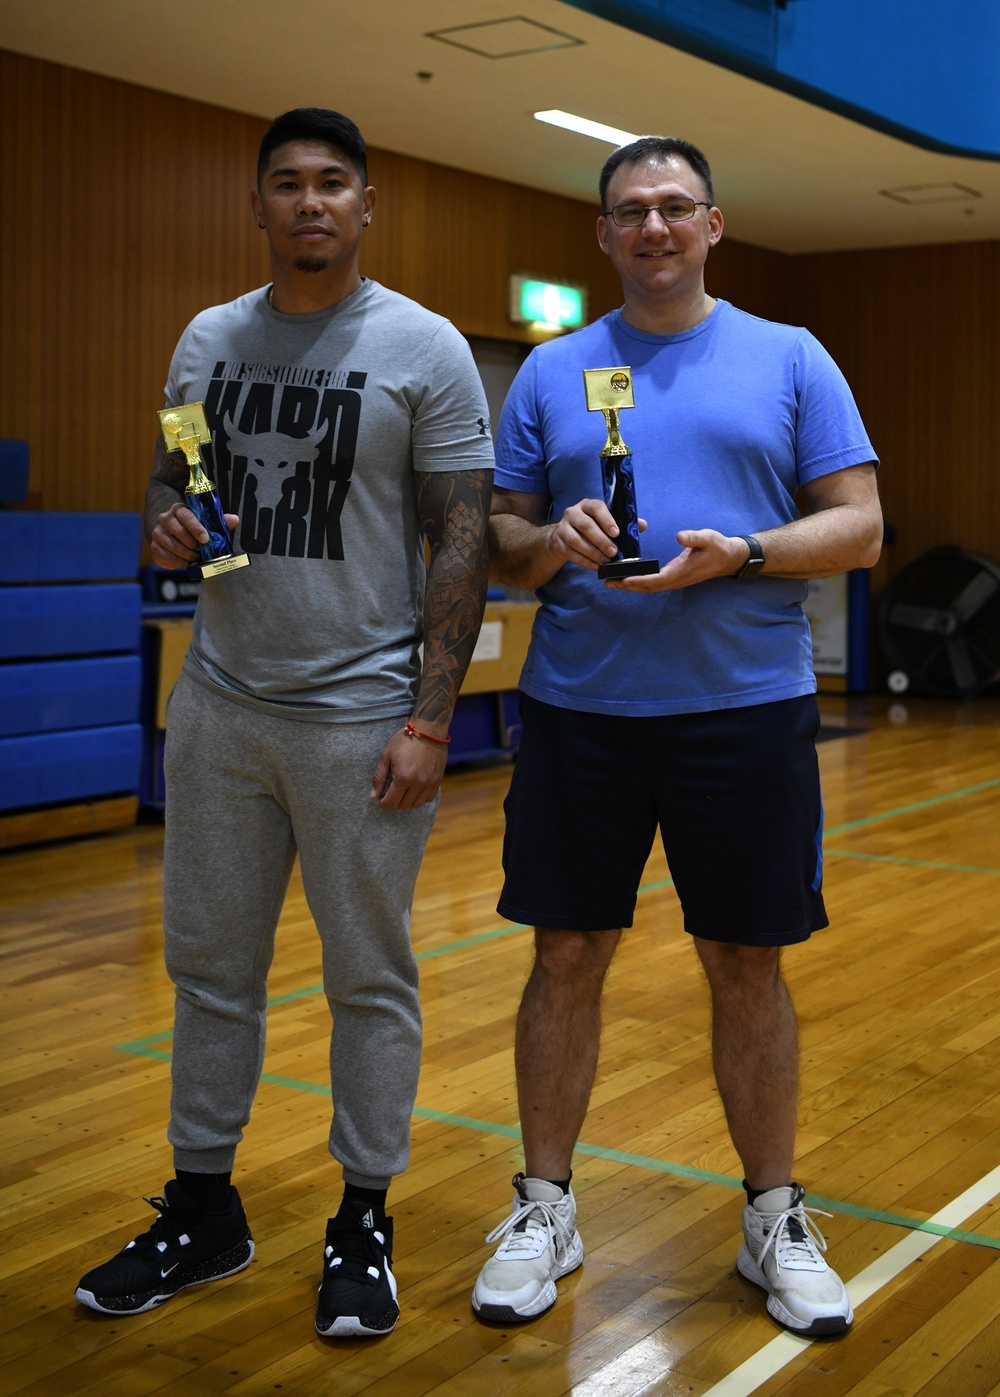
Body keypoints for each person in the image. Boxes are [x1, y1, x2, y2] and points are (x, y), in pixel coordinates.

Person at [75, 107, 493, 1339]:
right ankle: (203, 1206)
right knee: (210, 974)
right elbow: (172, 477)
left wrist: (431, 716)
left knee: (370, 979)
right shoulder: (207, 339)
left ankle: (363, 1214)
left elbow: (460, 533)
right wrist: (159, 524)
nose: (310, 203)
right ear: (256, 207)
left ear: (367, 207)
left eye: (333, 185)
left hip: (361, 718)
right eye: (287, 185)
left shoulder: (423, 347)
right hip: (219, 706)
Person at [472, 136, 881, 1338]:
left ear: (713, 225)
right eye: (627, 212)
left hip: (744, 712)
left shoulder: (791, 356)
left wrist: (741, 550)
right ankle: (543, 1205)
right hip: (580, 714)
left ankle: (773, 1215)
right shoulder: (551, 372)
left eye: (672, 208)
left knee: (747, 962)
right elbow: (496, 536)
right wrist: (553, 537)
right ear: (601, 236)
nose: (651, 228)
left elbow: (857, 525)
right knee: (563, 957)